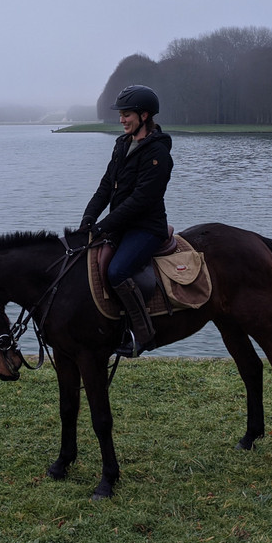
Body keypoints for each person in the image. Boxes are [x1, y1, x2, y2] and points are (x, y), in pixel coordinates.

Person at [78, 85, 173, 357]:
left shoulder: (158, 154)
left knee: (117, 271)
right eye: (120, 114)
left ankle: (142, 336)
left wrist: (104, 225)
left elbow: (141, 201)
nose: (121, 120)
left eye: (127, 114)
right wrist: (88, 217)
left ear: (144, 116)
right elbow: (106, 186)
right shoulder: (122, 145)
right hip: (120, 225)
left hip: (146, 229)